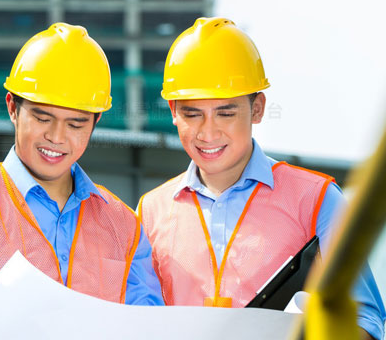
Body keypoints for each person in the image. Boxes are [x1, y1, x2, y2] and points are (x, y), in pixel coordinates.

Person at [0, 23, 163, 339]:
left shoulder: (125, 227)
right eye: (43, 118)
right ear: (13, 107)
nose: (56, 138)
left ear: (95, 121)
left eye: (75, 124)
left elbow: (149, 326)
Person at [138, 17, 385, 339]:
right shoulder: (150, 210)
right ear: (172, 110)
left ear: (257, 109)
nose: (207, 132)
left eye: (226, 113)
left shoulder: (316, 199)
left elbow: (366, 321)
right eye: (191, 113)